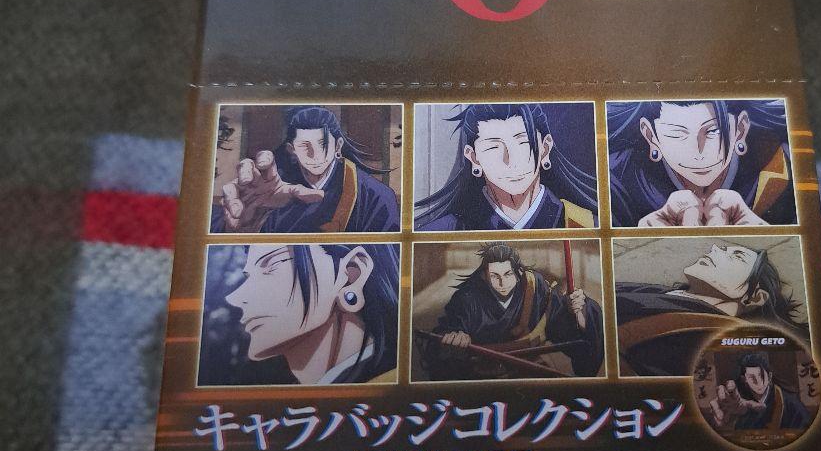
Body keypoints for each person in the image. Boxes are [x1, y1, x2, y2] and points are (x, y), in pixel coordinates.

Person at [615, 241, 807, 376]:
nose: (714, 249)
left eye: (737, 257)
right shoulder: (677, 299)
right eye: (723, 249)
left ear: (755, 298)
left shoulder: (705, 333)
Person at [418, 242, 604, 380]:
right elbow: (446, 333)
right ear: (485, 276)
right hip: (481, 374)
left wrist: (579, 313)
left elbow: (562, 324)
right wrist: (455, 339)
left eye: (508, 274)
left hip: (530, 369)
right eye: (494, 276)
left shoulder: (536, 288)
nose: (502, 283)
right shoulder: (468, 298)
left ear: (518, 273)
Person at [222, 243, 399, 385]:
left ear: (352, 275)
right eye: (249, 277)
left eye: (271, 267)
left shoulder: (389, 379)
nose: (234, 298)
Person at [606, 99, 795, 227]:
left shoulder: (784, 164)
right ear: (650, 135)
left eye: (713, 131)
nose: (698, 153)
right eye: (676, 134)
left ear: (740, 128)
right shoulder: (615, 177)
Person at [215, 106, 399, 233]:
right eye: (304, 146)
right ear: (292, 150)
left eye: (322, 144)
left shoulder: (376, 196)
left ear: (338, 146)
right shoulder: (270, 189)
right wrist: (238, 227)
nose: (314, 154)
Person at [414, 103, 597, 231]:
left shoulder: (586, 224)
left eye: (523, 142)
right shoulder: (441, 231)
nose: (511, 160)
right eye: (493, 147)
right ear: (474, 158)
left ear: (545, 148)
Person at [709, 351, 811, 431]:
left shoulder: (792, 405)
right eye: (751, 377)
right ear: (744, 380)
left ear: (770, 377)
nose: (758, 382)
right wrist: (727, 423)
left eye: (761, 376)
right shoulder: (737, 401)